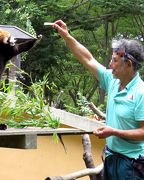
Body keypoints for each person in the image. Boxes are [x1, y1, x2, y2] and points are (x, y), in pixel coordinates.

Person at [52, 20, 144, 179]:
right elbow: (88, 59)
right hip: (111, 158)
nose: (110, 64)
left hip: (131, 165)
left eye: (115, 60)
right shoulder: (113, 81)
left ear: (128, 64)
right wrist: (67, 36)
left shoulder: (140, 93)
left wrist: (114, 131)